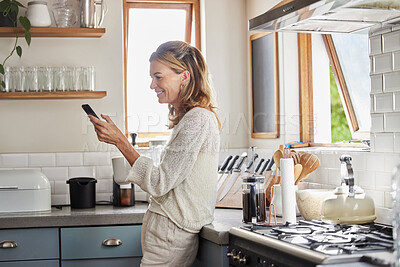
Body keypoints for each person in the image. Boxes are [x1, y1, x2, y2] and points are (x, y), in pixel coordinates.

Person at [88, 40, 221, 266]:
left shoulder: (198, 120)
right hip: (170, 233)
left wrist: (121, 141)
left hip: (172, 234)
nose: (152, 85)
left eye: (158, 77)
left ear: (184, 77)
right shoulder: (192, 119)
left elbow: (159, 183)